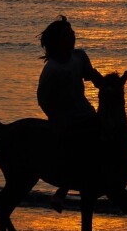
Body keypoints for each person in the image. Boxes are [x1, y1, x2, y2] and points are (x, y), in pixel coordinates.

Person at [37, 16, 104, 213]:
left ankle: (115, 186)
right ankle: (61, 192)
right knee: (81, 149)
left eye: (72, 33)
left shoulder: (79, 57)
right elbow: (43, 99)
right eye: (67, 34)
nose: (73, 36)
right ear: (57, 41)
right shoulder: (52, 70)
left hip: (86, 113)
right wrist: (58, 118)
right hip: (65, 120)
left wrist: (106, 84)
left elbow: (91, 75)